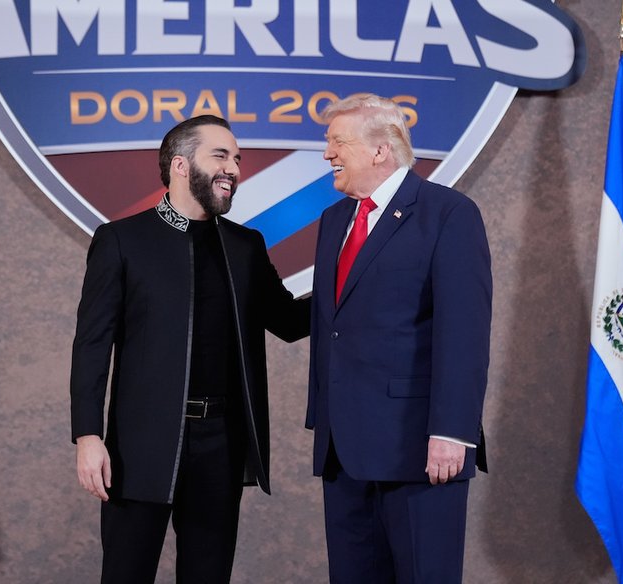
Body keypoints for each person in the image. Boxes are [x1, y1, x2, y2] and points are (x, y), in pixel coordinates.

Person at [70, 115, 310, 583]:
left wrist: (355, 280)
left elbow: (288, 321)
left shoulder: (246, 245)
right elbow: (91, 346)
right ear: (180, 165)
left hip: (221, 444)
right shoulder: (121, 241)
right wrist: (87, 436)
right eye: (220, 155)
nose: (234, 168)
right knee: (125, 575)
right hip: (139, 445)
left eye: (237, 159)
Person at [306, 94, 492, 583]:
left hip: (420, 450)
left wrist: (453, 432)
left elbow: (464, 330)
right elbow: (336, 321)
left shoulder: (447, 213)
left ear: (380, 150)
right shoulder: (334, 222)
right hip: (343, 453)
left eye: (336, 142)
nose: (327, 154)